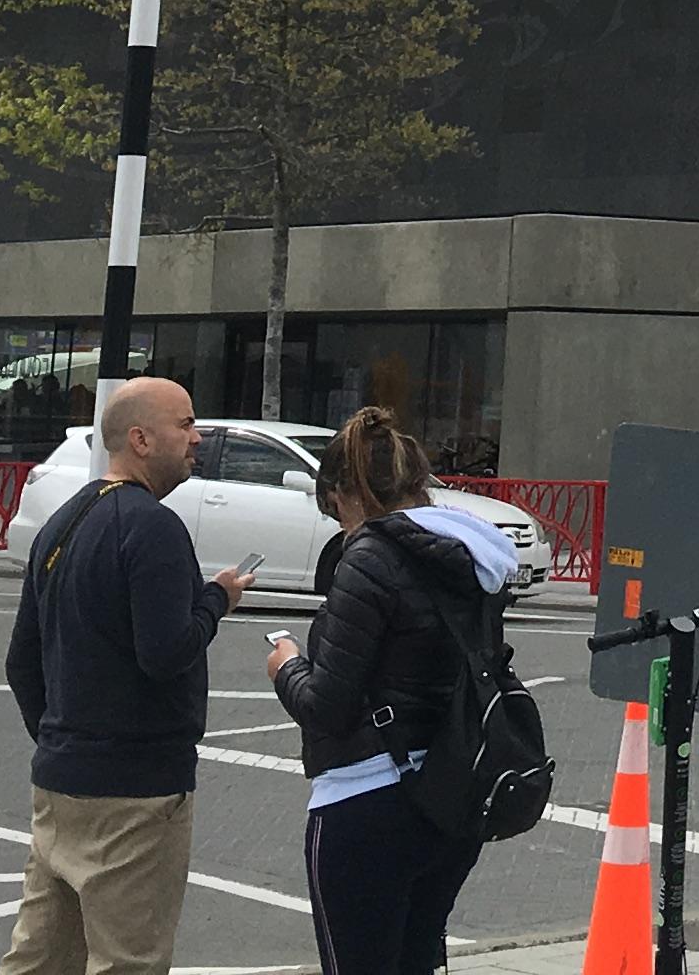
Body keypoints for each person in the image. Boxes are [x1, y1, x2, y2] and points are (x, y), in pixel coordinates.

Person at [0, 376, 258, 975]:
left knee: (41, 958)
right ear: (140, 439)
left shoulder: (63, 522)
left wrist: (61, 738)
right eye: (186, 424)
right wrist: (215, 599)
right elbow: (167, 654)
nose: (197, 438)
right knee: (128, 960)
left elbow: (21, 661)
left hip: (61, 779)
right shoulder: (153, 527)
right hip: (137, 790)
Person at [263, 406, 524, 975]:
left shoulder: (368, 558)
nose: (338, 524)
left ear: (346, 493)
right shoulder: (471, 560)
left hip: (367, 802)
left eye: (333, 509)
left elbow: (325, 707)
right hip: (452, 793)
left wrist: (286, 666)